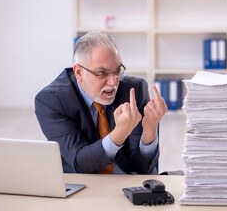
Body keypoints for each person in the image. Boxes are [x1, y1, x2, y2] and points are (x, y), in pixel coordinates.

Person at [35, 31, 167, 174]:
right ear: (78, 72)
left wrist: (150, 129)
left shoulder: (134, 91)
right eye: (102, 73)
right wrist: (120, 133)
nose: (113, 82)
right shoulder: (51, 100)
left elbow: (143, 168)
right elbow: (81, 163)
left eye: (117, 71)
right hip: (82, 185)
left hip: (125, 183)